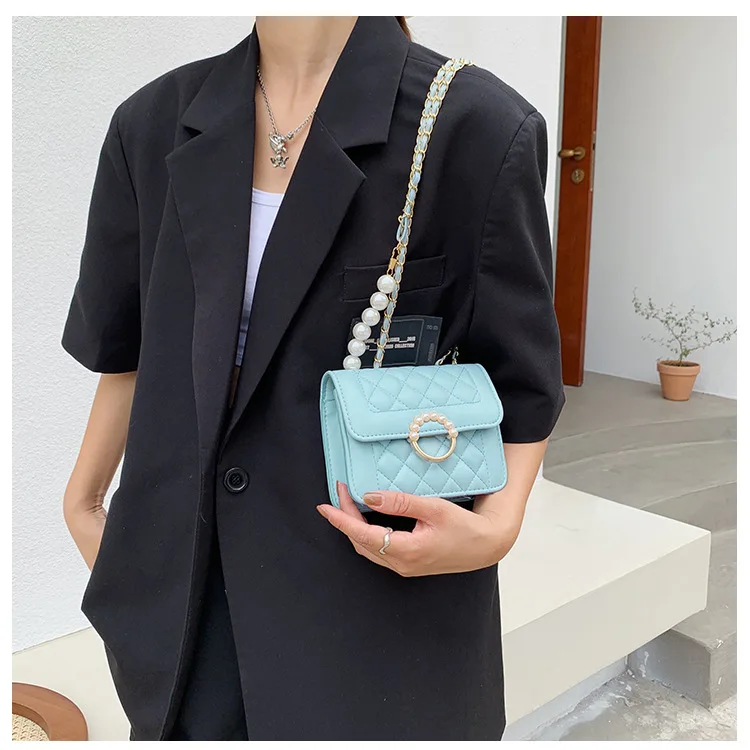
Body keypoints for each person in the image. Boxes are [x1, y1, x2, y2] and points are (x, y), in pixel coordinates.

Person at [62, 15, 565, 741]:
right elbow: (130, 350)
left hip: (375, 622)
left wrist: (499, 527)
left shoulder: (476, 130)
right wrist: (82, 505)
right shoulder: (151, 125)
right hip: (189, 617)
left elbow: (523, 382)